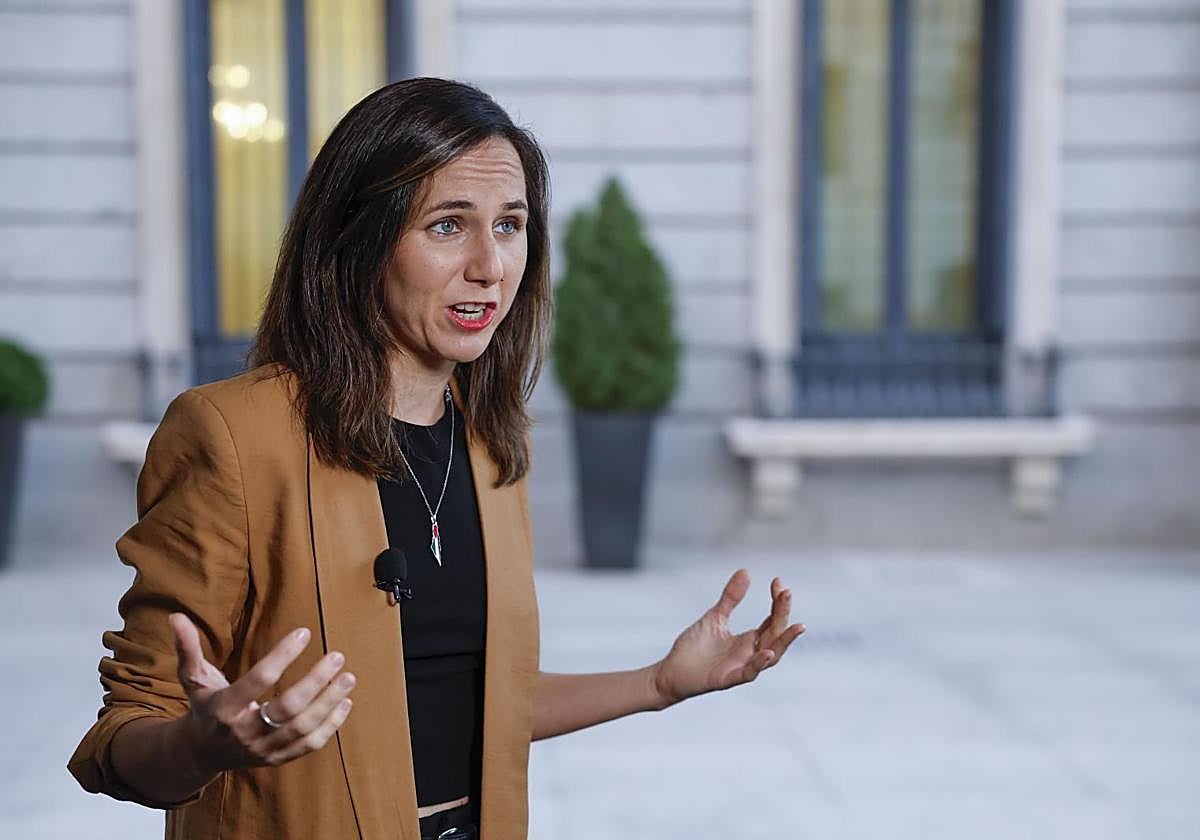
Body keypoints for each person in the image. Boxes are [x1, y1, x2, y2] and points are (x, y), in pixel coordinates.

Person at [68, 77, 805, 840]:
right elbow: (124, 735)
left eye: (510, 225)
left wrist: (660, 683)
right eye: (448, 225)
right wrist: (202, 746)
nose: (490, 265)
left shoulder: (490, 443)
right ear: (360, 239)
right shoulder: (232, 434)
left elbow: (476, 704)